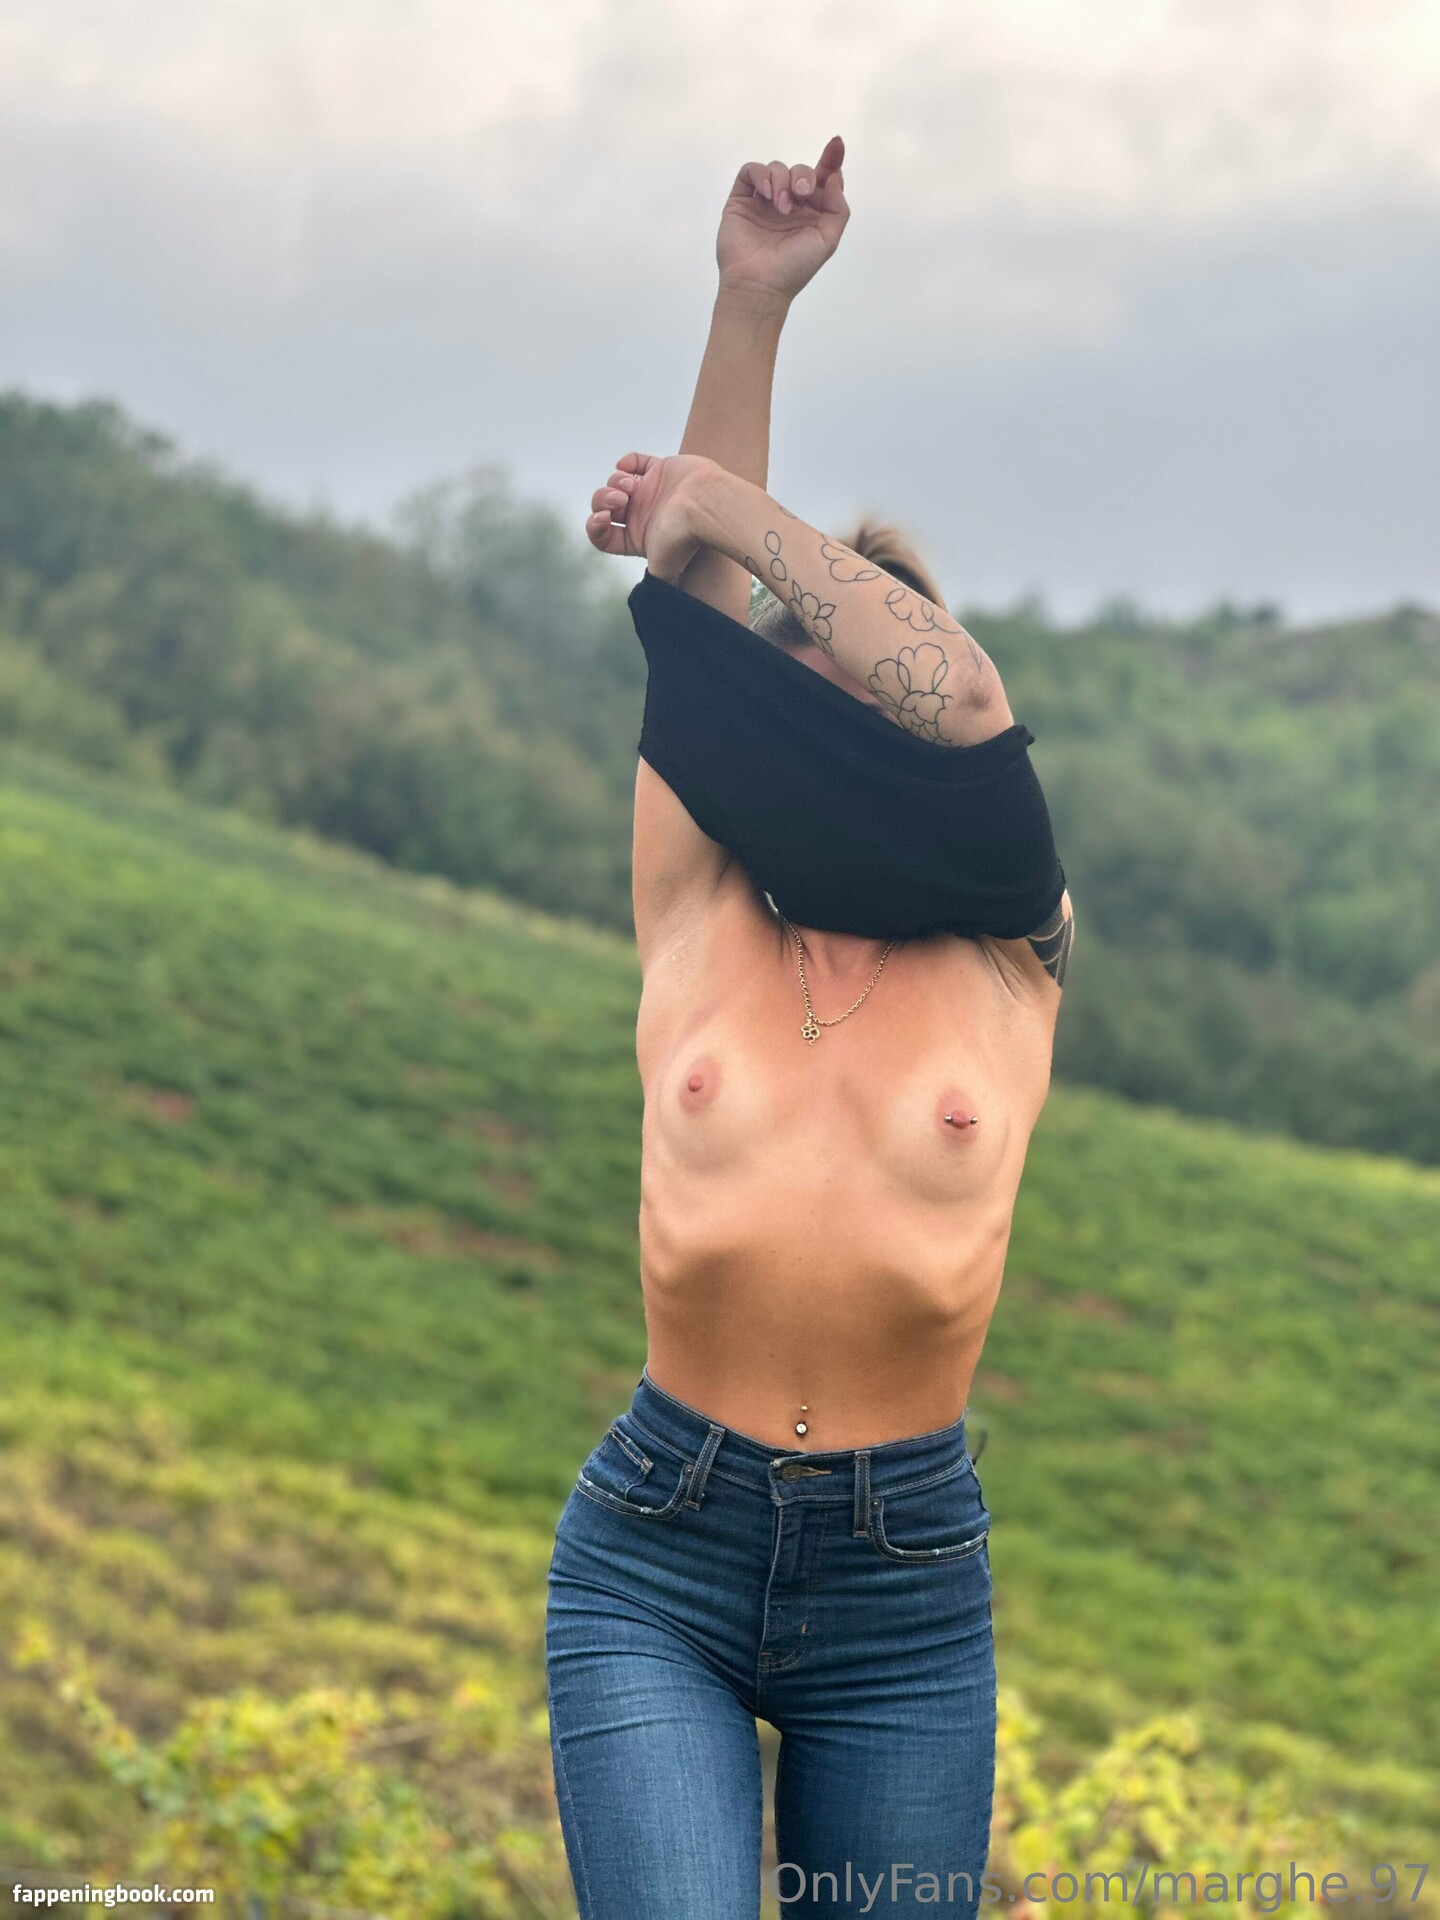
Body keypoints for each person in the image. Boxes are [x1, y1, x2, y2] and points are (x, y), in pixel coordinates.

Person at [546, 138, 1074, 1920]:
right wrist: (750, 303)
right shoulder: (700, 897)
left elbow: (963, 692)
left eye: (875, 699)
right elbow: (696, 648)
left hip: (901, 1591)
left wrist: (715, 504)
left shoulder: (1016, 942)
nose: (842, 734)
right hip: (657, 1551)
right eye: (804, 700)